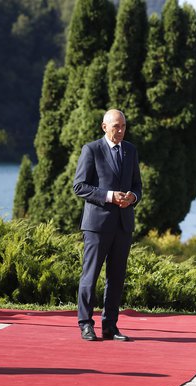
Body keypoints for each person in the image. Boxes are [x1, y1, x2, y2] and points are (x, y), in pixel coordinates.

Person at [73, 109, 143, 341]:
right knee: (90, 276)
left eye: (123, 126)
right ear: (104, 127)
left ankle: (110, 326)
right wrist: (110, 196)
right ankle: (85, 324)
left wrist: (132, 197)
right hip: (97, 225)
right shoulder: (91, 150)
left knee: (116, 277)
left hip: (123, 224)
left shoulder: (130, 150)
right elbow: (80, 187)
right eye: (116, 127)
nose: (121, 131)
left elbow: (137, 185)